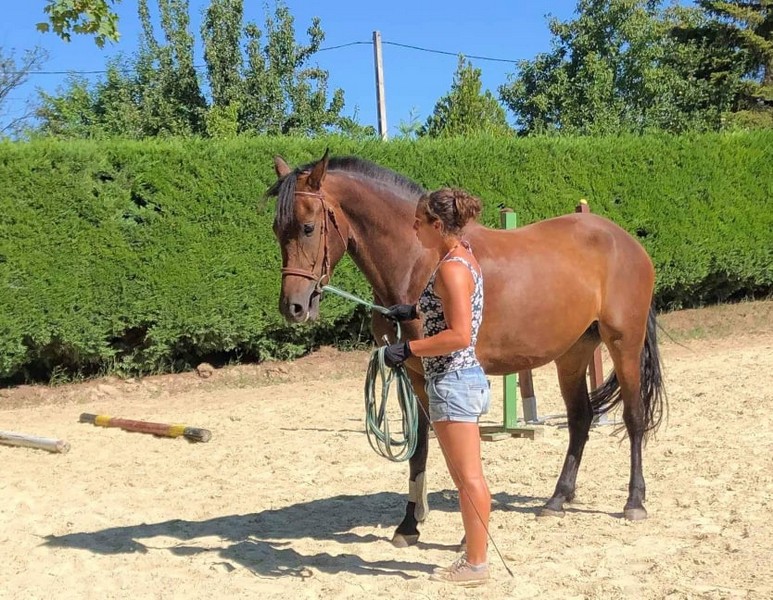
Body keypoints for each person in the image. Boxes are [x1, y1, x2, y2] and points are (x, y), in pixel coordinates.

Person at [382, 187, 492, 586]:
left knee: (468, 478)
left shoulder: (452, 268)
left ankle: (475, 564)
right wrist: (414, 310)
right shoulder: (459, 256)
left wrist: (408, 348)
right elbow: (450, 307)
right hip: (457, 380)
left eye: (419, 222)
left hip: (453, 381)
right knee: (468, 477)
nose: (414, 228)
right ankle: (475, 558)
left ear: (438, 225)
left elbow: (459, 334)